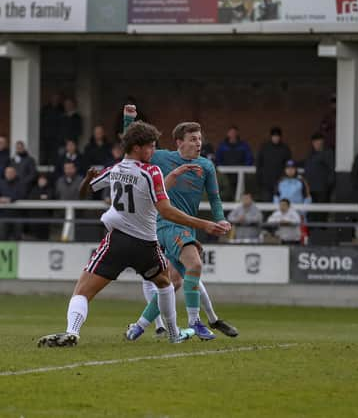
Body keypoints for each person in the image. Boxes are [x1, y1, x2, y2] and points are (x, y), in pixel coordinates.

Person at [37, 114, 229, 348]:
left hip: (116, 242)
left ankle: (72, 331)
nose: (153, 150)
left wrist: (87, 180)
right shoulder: (152, 172)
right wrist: (205, 224)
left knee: (82, 291)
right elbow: (166, 210)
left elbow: (84, 193)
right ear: (138, 148)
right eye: (150, 146)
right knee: (166, 284)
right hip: (146, 245)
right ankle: (172, 333)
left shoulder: (115, 169)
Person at [127, 115, 238, 342]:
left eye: (200, 139)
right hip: (166, 224)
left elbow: (215, 199)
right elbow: (131, 146)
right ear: (179, 142)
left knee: (174, 282)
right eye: (193, 139)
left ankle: (138, 327)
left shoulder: (206, 166)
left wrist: (221, 219)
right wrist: (128, 120)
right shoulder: (161, 157)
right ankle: (195, 321)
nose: (198, 143)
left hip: (186, 227)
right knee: (195, 263)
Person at [256, 126, 291, 202]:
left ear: (280, 137)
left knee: (280, 203)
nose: (276, 138)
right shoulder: (264, 148)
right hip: (266, 183)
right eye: (274, 136)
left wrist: (285, 179)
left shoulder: (285, 149)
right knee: (266, 203)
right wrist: (259, 179)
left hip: (281, 183)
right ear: (271, 137)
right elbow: (259, 164)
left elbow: (288, 165)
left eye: (277, 136)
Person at [304, 133, 335, 204]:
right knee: (313, 210)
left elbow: (331, 169)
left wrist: (328, 186)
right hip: (311, 188)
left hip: (322, 189)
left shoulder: (327, 153)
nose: (317, 145)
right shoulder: (311, 154)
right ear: (312, 143)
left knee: (322, 211)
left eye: (319, 143)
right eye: (315, 143)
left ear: (322, 142)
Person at [0, 166, 27, 240]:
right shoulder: (1, 183)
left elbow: (22, 195)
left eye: (11, 172)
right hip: (3, 214)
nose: (9, 174)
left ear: (15, 173)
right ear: (4, 174)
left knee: (18, 237)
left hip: (17, 214)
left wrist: (10, 199)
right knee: (2, 237)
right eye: (7, 172)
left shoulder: (21, 183)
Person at [28, 174, 54, 240]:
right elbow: (31, 198)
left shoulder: (50, 189)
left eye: (44, 180)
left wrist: (39, 197)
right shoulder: (33, 189)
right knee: (35, 237)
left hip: (45, 217)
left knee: (45, 237)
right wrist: (41, 197)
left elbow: (50, 198)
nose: (42, 181)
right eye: (40, 180)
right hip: (34, 217)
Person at [40, 93, 64, 164]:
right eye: (54, 98)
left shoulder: (61, 109)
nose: (55, 100)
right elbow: (42, 122)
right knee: (46, 151)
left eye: (57, 99)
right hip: (46, 135)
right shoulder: (45, 109)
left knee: (56, 153)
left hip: (58, 136)